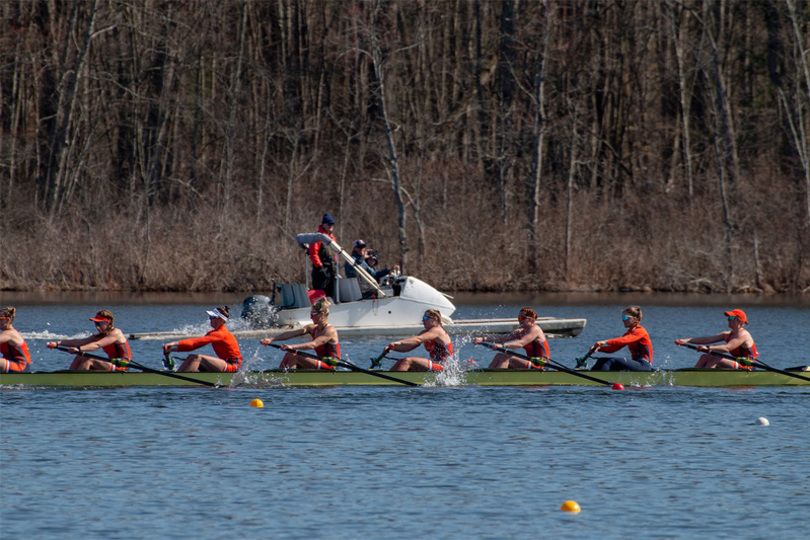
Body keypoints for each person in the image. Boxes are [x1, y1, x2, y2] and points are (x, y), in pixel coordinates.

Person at [260, 297, 340, 370]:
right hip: (319, 362)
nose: (310, 318)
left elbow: (313, 345)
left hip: (330, 365)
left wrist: (292, 346)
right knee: (289, 354)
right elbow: (291, 333)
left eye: (313, 315)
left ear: (321, 314)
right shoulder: (311, 328)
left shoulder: (330, 331)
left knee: (294, 355)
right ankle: (279, 376)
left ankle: (290, 380)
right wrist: (271, 339)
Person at [162, 306, 242, 373]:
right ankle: (178, 376)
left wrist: (173, 344)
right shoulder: (213, 332)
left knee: (197, 358)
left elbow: (194, 342)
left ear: (221, 320)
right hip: (224, 364)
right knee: (191, 357)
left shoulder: (221, 334)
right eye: (210, 317)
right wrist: (172, 350)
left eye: (212, 317)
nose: (210, 319)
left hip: (232, 367)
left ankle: (178, 379)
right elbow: (194, 345)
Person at [46, 310, 132, 371]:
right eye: (96, 323)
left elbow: (97, 345)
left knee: (88, 359)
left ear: (108, 322)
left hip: (121, 366)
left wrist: (79, 349)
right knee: (80, 356)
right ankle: (69, 378)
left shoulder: (116, 333)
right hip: (111, 364)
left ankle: (78, 383)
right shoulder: (100, 336)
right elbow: (77, 342)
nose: (97, 326)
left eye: (99, 323)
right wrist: (57, 343)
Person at [675, 308, 758, 369]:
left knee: (716, 357)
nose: (728, 319)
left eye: (732, 318)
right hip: (736, 362)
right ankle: (693, 376)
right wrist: (686, 340)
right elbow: (706, 340)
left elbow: (727, 348)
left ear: (739, 321)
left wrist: (708, 348)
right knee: (704, 356)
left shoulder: (743, 334)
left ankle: (704, 378)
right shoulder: (726, 334)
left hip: (747, 365)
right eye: (728, 317)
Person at [472, 307, 549, 369]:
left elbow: (520, 343)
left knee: (506, 358)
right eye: (518, 317)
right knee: (499, 356)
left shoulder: (535, 329)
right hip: (529, 362)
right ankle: (488, 377)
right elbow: (501, 338)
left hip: (540, 364)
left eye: (522, 318)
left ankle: (497, 380)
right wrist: (483, 339)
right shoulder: (520, 332)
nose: (519, 320)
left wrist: (503, 346)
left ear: (530, 319)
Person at [383, 309, 453, 372]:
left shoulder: (438, 330)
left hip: (444, 368)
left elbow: (418, 339)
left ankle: (390, 381)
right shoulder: (424, 333)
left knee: (407, 361)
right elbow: (408, 347)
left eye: (425, 318)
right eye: (423, 318)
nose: (423, 320)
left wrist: (400, 342)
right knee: (401, 361)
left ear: (434, 319)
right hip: (434, 365)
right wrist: (393, 348)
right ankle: (387, 379)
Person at [588, 305, 653, 371]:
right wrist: (599, 348)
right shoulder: (628, 334)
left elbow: (623, 340)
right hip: (636, 363)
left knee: (610, 361)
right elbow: (613, 348)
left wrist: (605, 342)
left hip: (644, 365)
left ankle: (595, 378)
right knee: (602, 360)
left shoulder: (641, 331)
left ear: (634, 319)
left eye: (625, 317)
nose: (623, 320)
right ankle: (591, 376)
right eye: (622, 317)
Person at [309, 213, 338, 300]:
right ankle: (319, 310)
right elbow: (313, 254)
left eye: (332, 224)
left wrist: (335, 264)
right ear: (324, 225)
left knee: (331, 293)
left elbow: (335, 253)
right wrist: (320, 267)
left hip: (331, 270)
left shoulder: (332, 238)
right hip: (321, 271)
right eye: (329, 224)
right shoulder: (318, 237)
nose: (331, 226)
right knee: (320, 294)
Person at [1, 307, 32, 373]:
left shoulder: (10, 333)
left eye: (0, 319)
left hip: (20, 367)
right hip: (11, 364)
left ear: (7, 320)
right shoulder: (5, 334)